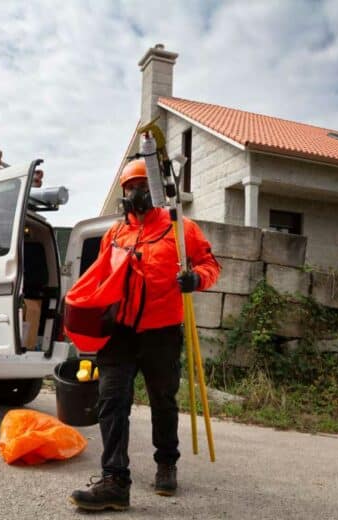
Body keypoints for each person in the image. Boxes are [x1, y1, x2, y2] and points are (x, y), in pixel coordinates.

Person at [69, 159, 221, 511]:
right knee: (111, 401)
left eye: (141, 185)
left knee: (163, 400)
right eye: (129, 187)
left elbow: (211, 265)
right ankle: (114, 481)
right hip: (120, 331)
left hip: (162, 331)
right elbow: (100, 277)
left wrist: (196, 279)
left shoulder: (181, 229)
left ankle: (166, 463)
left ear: (156, 188)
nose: (135, 193)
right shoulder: (115, 232)